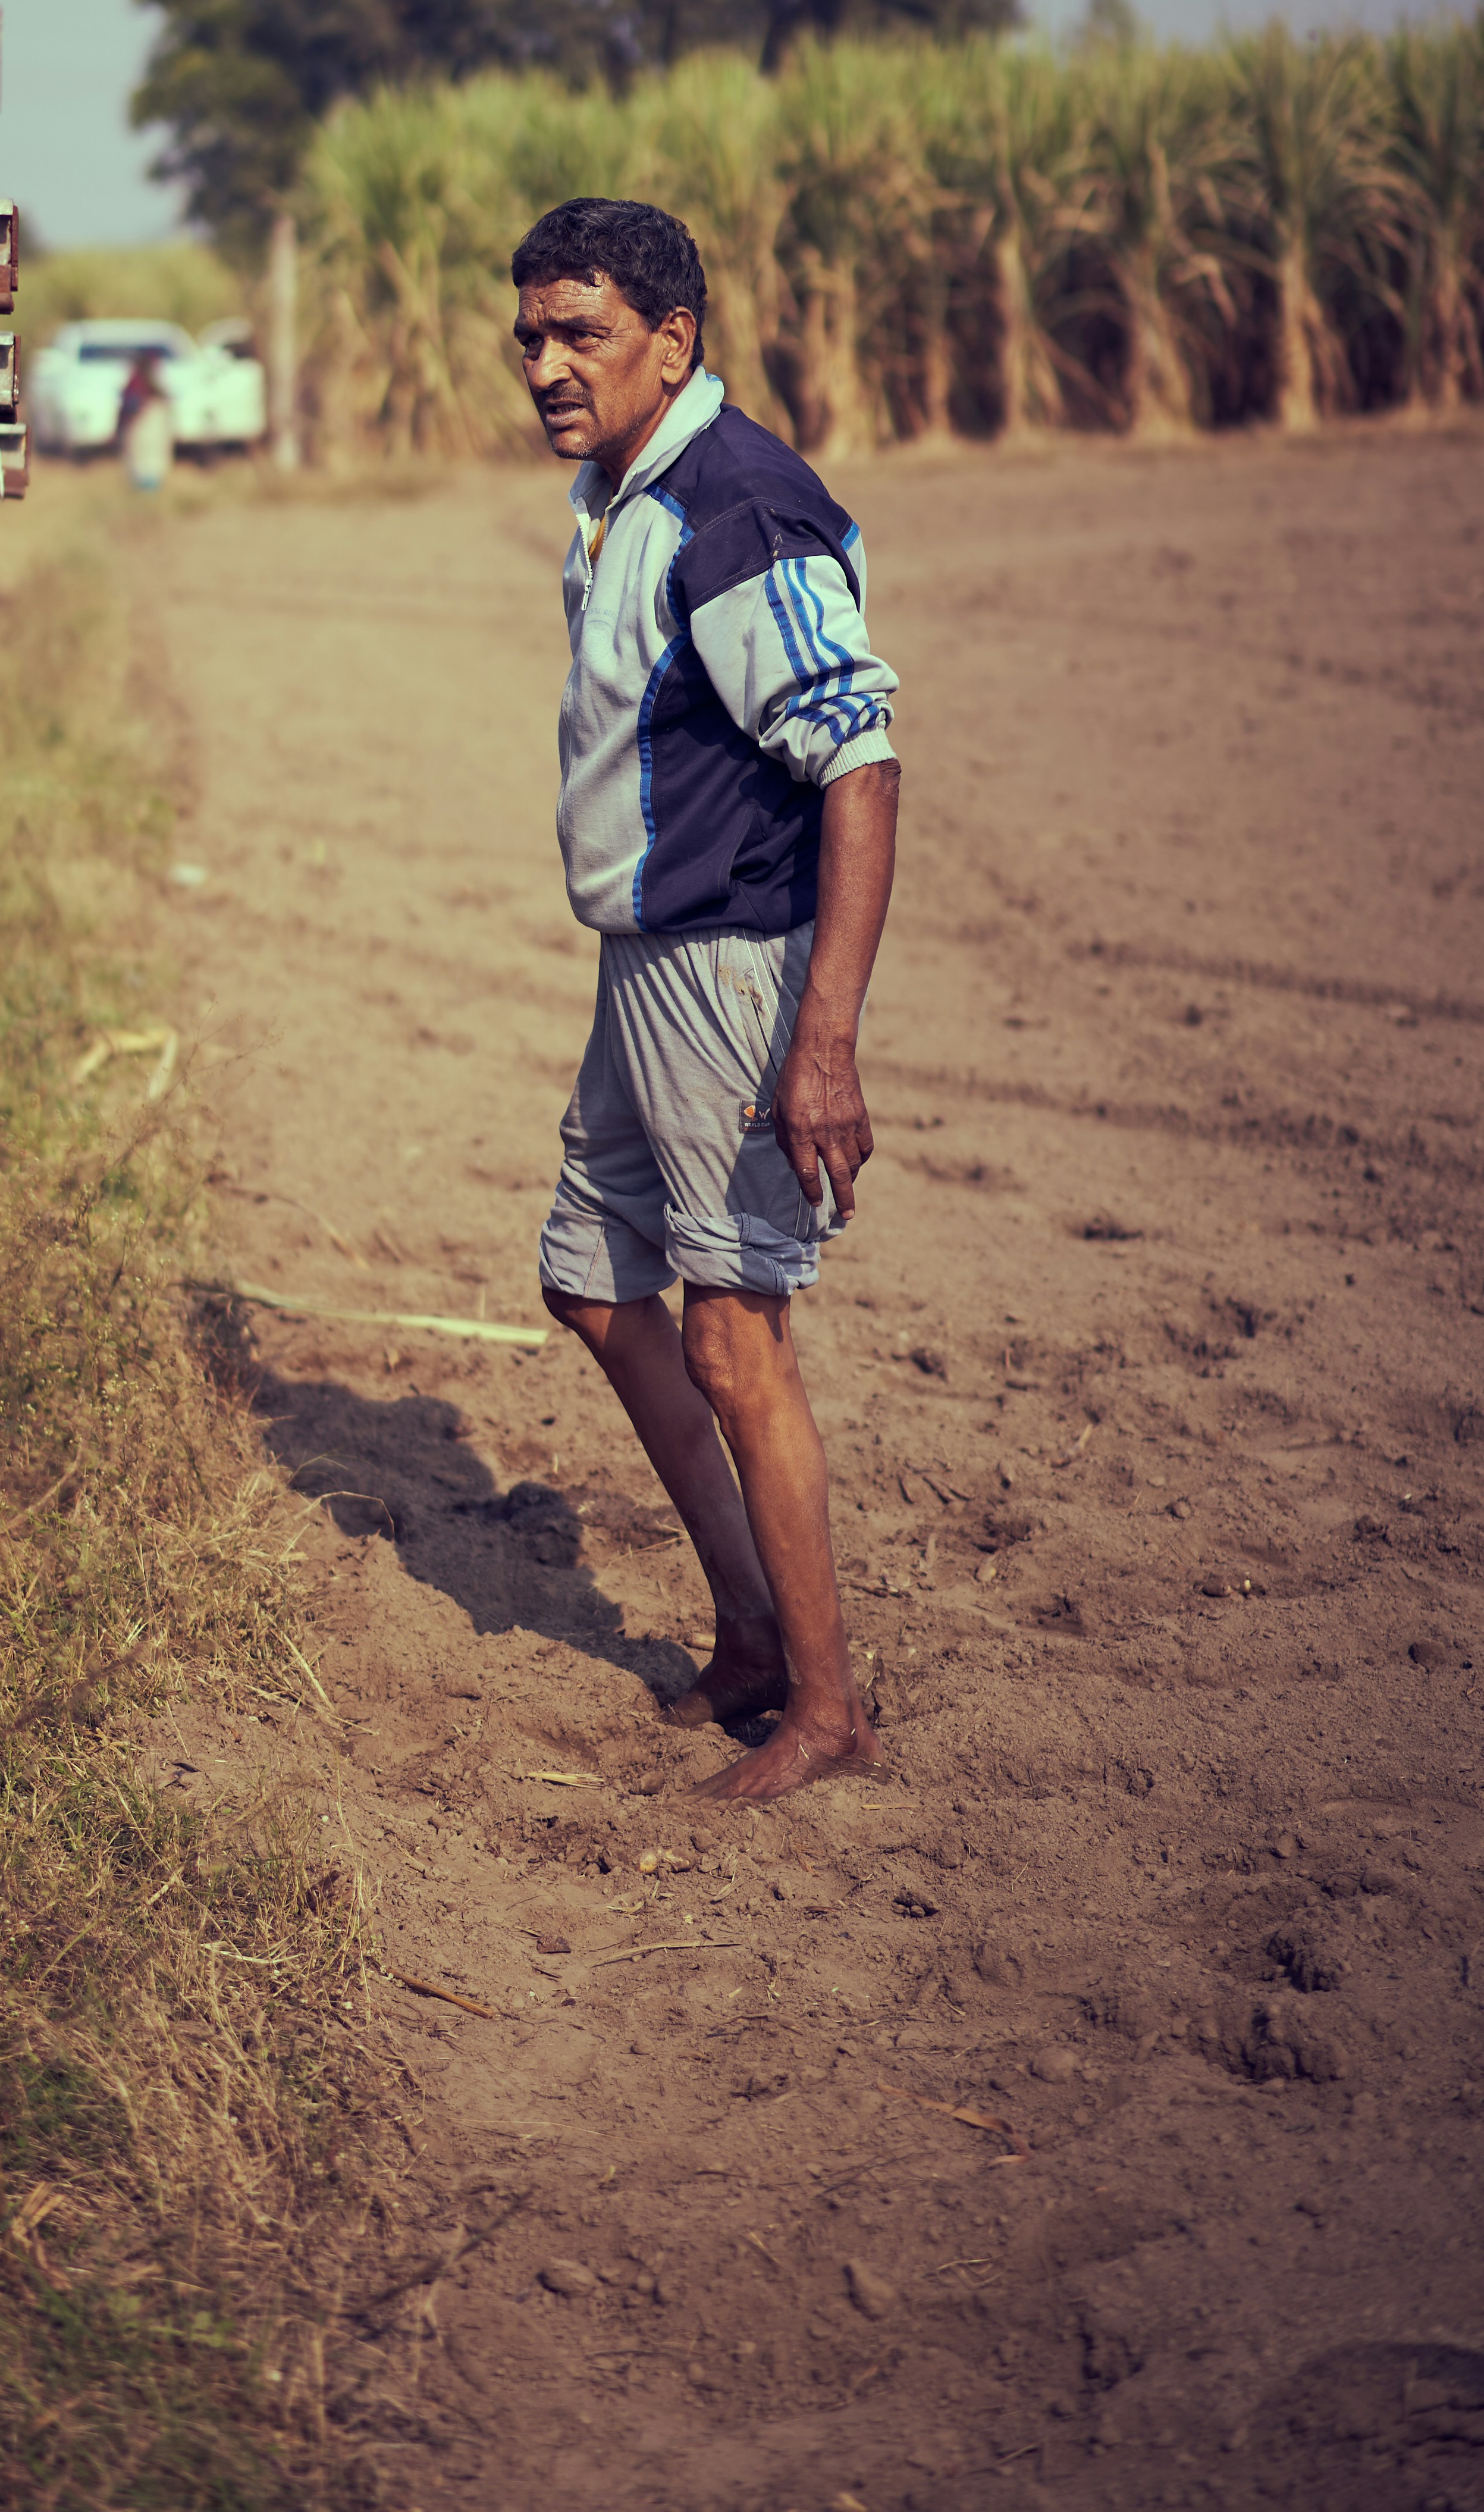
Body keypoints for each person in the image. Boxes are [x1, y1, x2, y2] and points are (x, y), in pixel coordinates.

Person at [516, 196, 901, 1806]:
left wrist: (822, 1045)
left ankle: (824, 1710)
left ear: (670, 343)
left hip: (735, 971)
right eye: (529, 337)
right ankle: (747, 1635)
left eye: (580, 336)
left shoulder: (735, 512)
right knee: (597, 1290)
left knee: (739, 1335)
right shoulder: (626, 490)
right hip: (642, 964)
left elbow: (861, 765)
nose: (544, 367)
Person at [117, 349, 175, 493]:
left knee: (144, 466)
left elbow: (127, 411)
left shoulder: (136, 386)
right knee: (149, 466)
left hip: (143, 434)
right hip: (151, 436)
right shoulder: (151, 389)